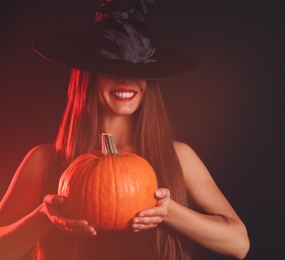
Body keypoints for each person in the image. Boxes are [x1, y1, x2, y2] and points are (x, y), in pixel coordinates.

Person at [0, 1, 250, 259]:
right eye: (112, 68)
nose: (126, 79)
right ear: (88, 77)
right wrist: (44, 217)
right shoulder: (44, 159)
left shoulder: (178, 156)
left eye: (136, 70)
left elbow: (238, 243)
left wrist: (168, 211)